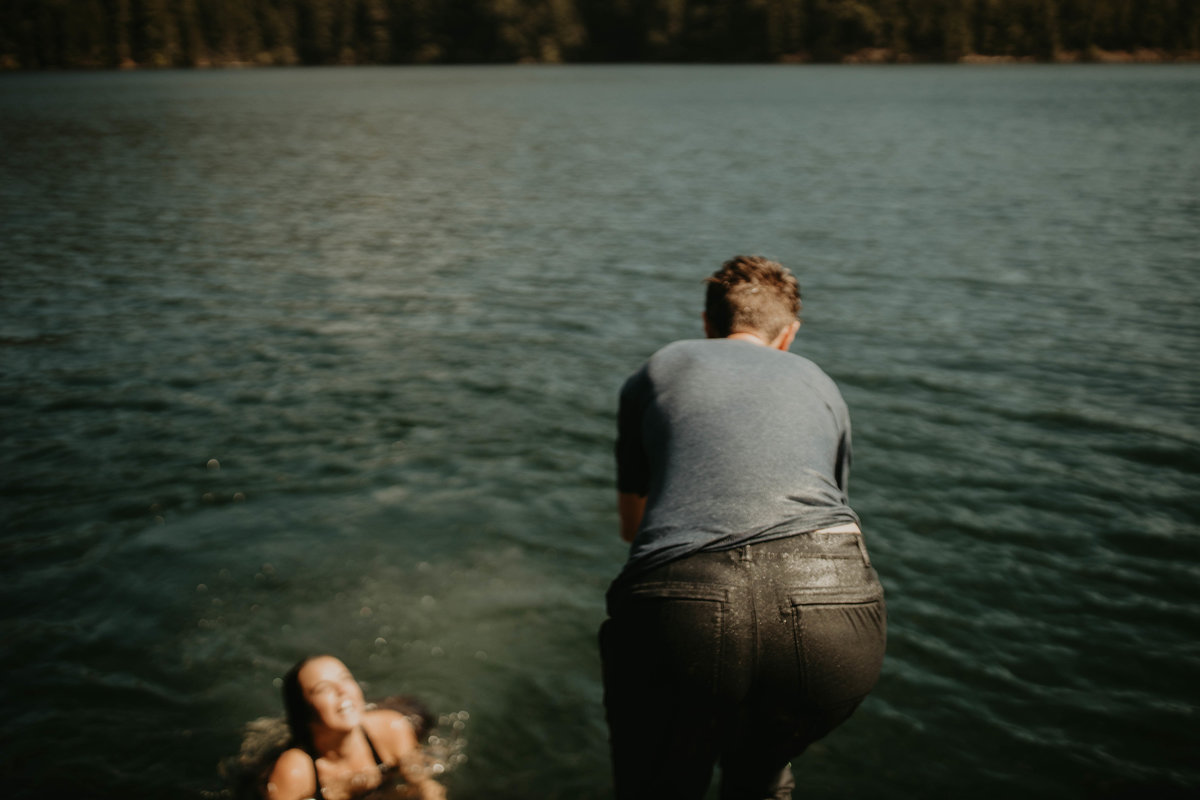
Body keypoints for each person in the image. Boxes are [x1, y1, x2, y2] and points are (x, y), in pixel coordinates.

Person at [601, 255, 887, 799]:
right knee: (760, 774)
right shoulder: (821, 383)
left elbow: (632, 527)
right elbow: (835, 512)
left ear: (707, 325)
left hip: (684, 606)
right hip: (837, 609)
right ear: (790, 334)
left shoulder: (662, 367)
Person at [265, 655, 445, 800]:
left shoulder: (392, 728)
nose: (342, 690)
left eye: (345, 679)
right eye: (324, 688)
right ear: (304, 710)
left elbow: (426, 787)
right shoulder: (295, 772)